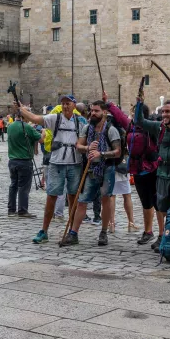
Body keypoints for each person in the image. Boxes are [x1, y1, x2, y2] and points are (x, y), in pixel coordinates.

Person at [18, 95, 85, 245]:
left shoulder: (80, 121)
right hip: (57, 163)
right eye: (63, 104)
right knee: (51, 197)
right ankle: (44, 231)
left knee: (73, 198)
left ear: (74, 105)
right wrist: (21, 109)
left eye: (67, 103)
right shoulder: (55, 118)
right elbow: (35, 119)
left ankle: (72, 232)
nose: (65, 106)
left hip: (75, 163)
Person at [60, 101, 121, 247]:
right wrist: (87, 147)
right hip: (91, 169)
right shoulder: (87, 128)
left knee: (105, 200)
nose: (93, 113)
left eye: (97, 111)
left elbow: (118, 151)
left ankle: (104, 232)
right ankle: (73, 234)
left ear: (104, 113)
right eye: (92, 110)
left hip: (107, 168)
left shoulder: (111, 130)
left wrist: (102, 153)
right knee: (82, 201)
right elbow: (78, 146)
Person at [135, 99, 170, 253]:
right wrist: (139, 104)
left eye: (168, 112)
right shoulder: (159, 128)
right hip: (162, 174)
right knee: (162, 207)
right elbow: (139, 121)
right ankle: (164, 235)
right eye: (163, 112)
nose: (164, 115)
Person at [105, 95, 156, 237]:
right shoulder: (130, 126)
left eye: (135, 112)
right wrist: (108, 104)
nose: (132, 114)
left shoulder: (152, 127)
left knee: (157, 202)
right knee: (145, 202)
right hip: (137, 169)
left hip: (151, 168)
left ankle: (161, 233)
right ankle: (148, 231)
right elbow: (120, 116)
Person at [7, 112, 44, 217]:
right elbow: (41, 139)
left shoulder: (10, 126)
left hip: (12, 160)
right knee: (23, 187)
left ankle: (11, 209)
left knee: (13, 185)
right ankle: (22, 210)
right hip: (24, 161)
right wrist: (44, 132)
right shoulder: (27, 127)